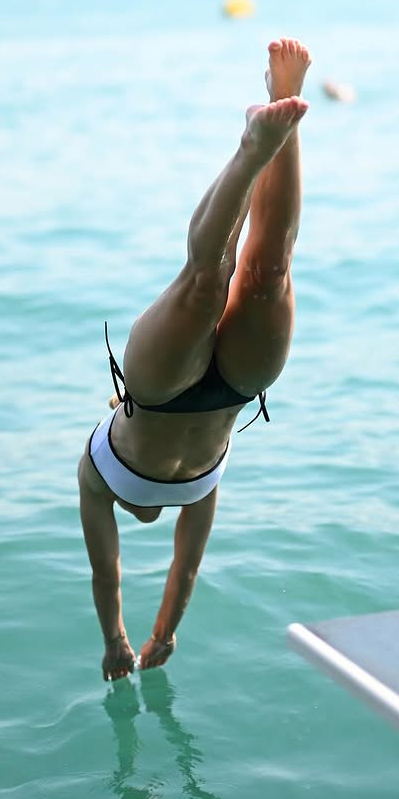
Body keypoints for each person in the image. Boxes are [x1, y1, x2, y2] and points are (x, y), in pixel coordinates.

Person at [78, 37, 311, 681]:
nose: (147, 517)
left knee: (206, 279)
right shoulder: (202, 492)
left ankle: (252, 149)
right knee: (269, 270)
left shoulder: (96, 473)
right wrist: (163, 635)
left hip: (155, 390)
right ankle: (285, 112)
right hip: (235, 389)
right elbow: (186, 569)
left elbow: (106, 571)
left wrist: (115, 640)